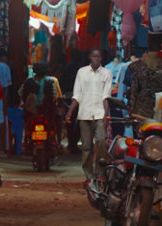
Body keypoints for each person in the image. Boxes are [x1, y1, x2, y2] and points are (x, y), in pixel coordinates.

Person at [65, 48, 112, 187]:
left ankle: (100, 173)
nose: (96, 59)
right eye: (94, 56)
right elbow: (77, 95)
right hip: (84, 113)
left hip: (99, 113)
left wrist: (105, 115)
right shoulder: (82, 72)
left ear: (101, 58)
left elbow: (106, 96)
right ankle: (89, 175)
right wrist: (70, 112)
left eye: (99, 56)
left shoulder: (106, 74)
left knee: (101, 142)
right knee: (86, 147)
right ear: (90, 57)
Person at [59, 49, 82, 153]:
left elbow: (62, 82)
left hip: (69, 96)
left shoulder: (67, 67)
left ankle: (71, 143)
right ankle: (74, 142)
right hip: (80, 97)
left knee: (70, 120)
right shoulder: (81, 67)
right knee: (79, 120)